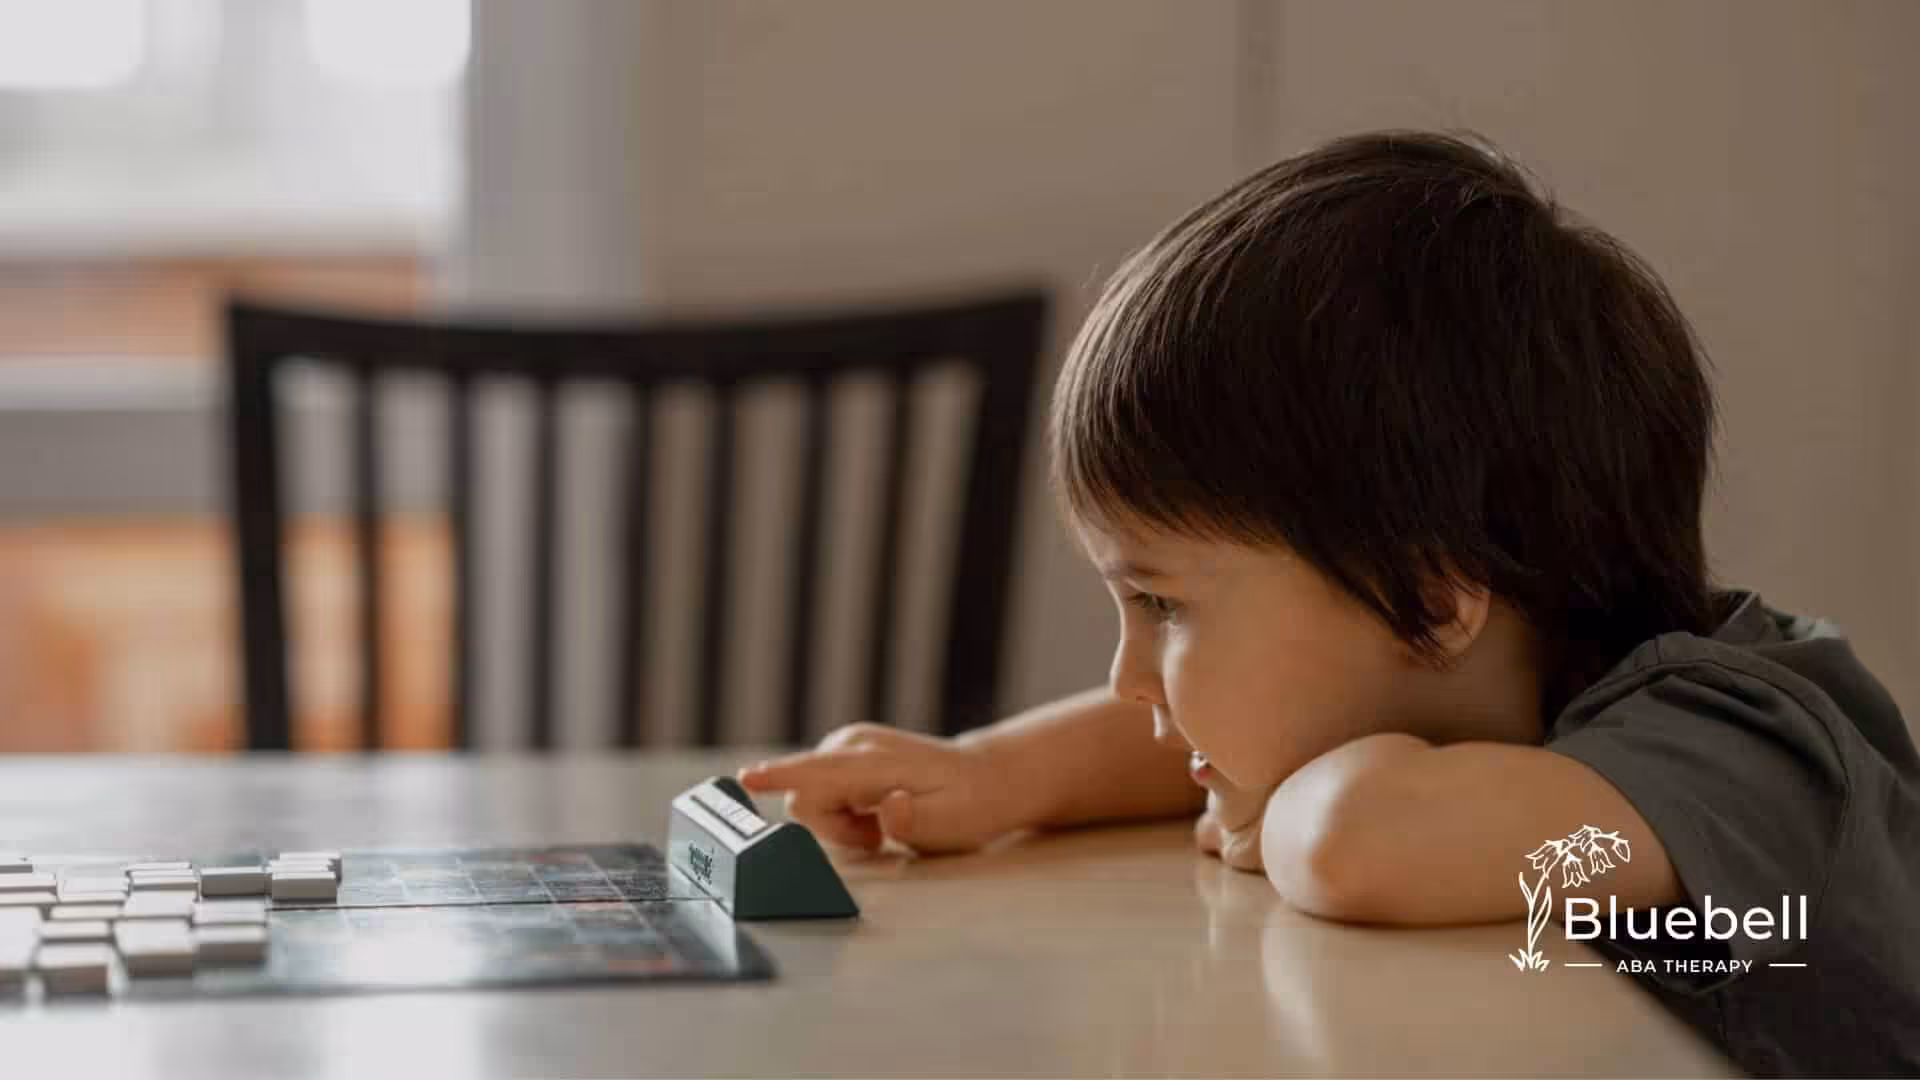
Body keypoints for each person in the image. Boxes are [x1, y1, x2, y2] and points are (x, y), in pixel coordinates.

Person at [737, 130, 1920, 1076]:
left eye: (1164, 606)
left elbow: (1364, 842)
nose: (1129, 677)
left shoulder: (1742, 750)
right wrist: (993, 776)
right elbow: (1240, 738)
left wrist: (1291, 816)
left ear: (1427, 592)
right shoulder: (1511, 688)